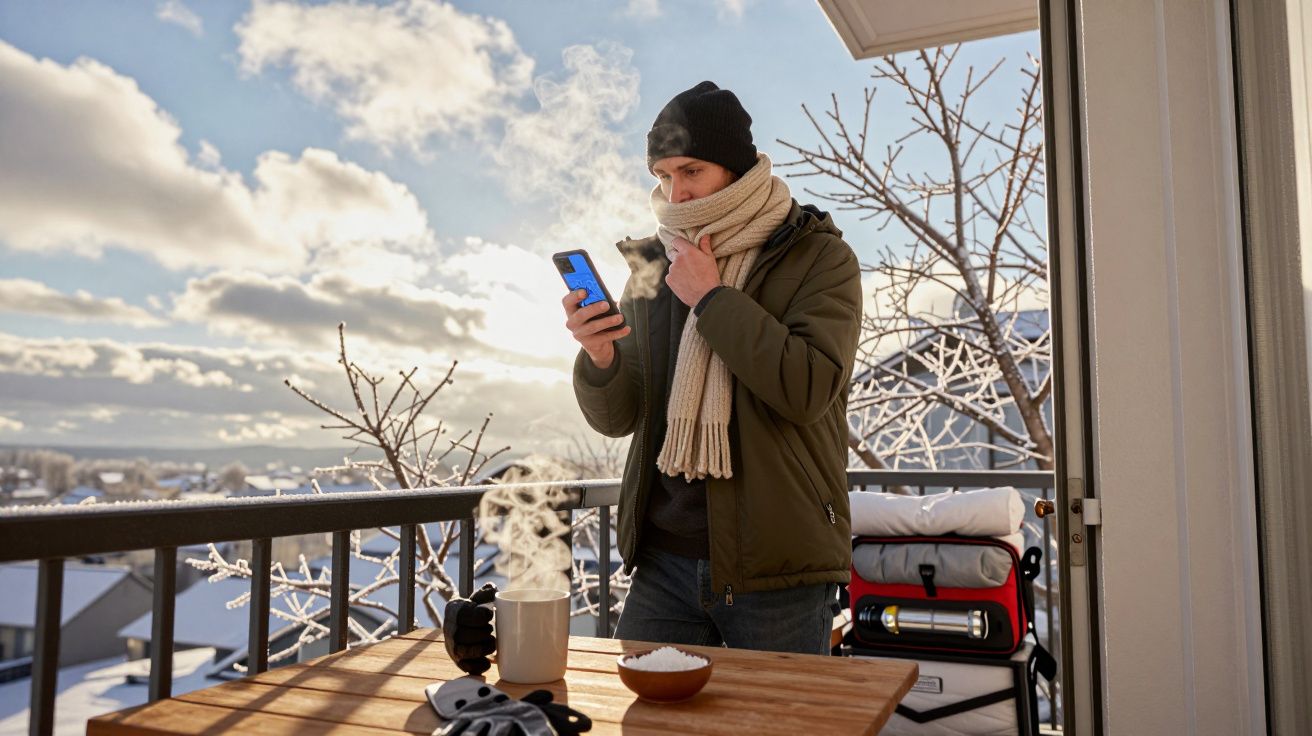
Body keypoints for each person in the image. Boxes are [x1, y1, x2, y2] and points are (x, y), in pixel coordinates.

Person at [563, 81, 862, 655]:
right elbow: (624, 416)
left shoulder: (817, 256)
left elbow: (806, 388)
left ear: (736, 168)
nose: (675, 194)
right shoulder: (656, 266)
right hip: (663, 562)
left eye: (691, 172)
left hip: (776, 566)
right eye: (663, 176)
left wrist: (712, 297)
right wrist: (600, 359)